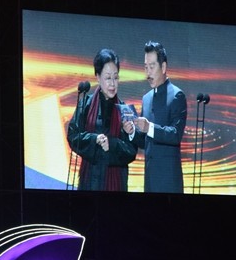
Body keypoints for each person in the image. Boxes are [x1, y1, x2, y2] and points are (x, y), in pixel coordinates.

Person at [67, 48, 137, 190]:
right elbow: (73, 136)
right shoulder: (85, 104)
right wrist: (95, 139)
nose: (113, 83)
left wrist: (112, 144)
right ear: (98, 77)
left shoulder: (126, 110)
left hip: (115, 184)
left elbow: (131, 151)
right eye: (108, 78)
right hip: (90, 181)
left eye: (116, 77)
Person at [127, 41, 188, 193]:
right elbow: (146, 141)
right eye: (145, 67)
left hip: (168, 182)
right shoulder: (146, 98)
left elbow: (175, 135)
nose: (148, 73)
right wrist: (132, 132)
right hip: (149, 181)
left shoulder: (177, 95)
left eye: (152, 66)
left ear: (164, 67)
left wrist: (149, 127)